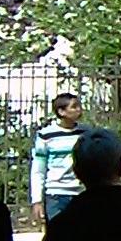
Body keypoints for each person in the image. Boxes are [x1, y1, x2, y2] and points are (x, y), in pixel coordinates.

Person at [31, 92, 85, 224]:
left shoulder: (85, 133)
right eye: (74, 107)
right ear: (61, 111)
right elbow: (38, 169)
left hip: (81, 193)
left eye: (79, 106)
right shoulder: (46, 135)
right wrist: (37, 200)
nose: (78, 110)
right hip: (56, 194)